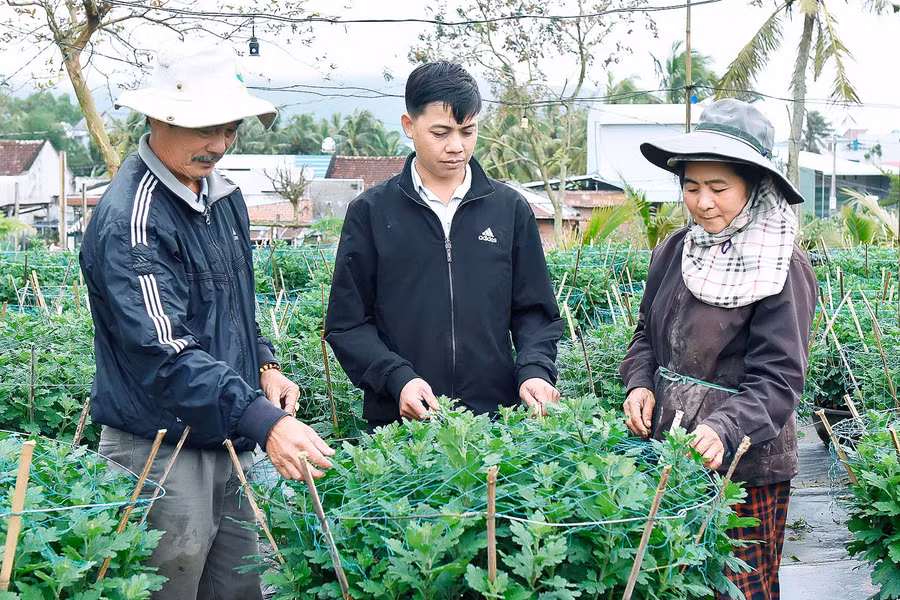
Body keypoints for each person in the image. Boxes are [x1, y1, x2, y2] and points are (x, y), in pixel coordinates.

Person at [79, 44, 334, 600]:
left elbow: (236, 301)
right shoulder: (132, 218)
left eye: (230, 128)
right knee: (165, 587)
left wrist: (264, 361)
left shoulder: (224, 197)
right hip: (162, 450)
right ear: (157, 118)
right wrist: (265, 421)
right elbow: (164, 352)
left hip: (233, 434)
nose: (218, 144)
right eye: (203, 128)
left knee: (249, 586)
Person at [619, 98, 818, 600]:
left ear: (753, 186)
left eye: (718, 188)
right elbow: (646, 334)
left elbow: (778, 380)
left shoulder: (781, 265)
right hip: (671, 451)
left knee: (739, 588)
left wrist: (723, 427)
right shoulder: (674, 250)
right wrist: (640, 384)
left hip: (747, 466)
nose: (703, 202)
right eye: (691, 187)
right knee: (677, 583)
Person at [324, 61, 564, 430]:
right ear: (409, 126)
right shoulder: (371, 212)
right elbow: (347, 324)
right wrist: (396, 378)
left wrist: (535, 371)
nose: (456, 146)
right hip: (401, 426)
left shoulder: (509, 209)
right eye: (441, 132)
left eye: (468, 132)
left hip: (493, 423)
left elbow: (534, 312)